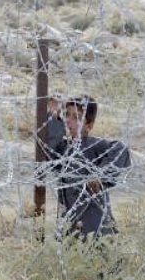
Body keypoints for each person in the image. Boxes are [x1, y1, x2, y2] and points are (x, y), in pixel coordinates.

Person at [47, 95, 131, 239]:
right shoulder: (63, 149)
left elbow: (120, 149)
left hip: (97, 229)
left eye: (77, 117)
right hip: (70, 227)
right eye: (67, 115)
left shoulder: (93, 145)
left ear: (89, 125)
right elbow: (49, 151)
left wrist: (100, 175)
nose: (69, 121)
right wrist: (54, 116)